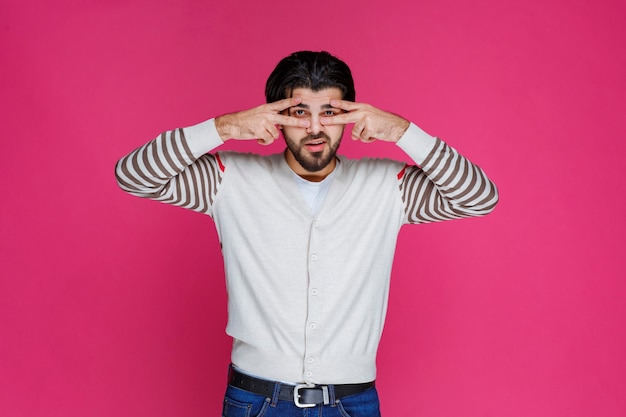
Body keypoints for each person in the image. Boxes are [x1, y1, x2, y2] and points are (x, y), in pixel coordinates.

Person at [115, 50, 498, 417]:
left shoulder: (388, 186)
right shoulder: (228, 180)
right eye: (299, 113)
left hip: (353, 402)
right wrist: (225, 126)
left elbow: (479, 197)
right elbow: (133, 175)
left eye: (329, 112)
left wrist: (402, 131)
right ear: (274, 117)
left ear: (351, 115)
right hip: (256, 400)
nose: (315, 128)